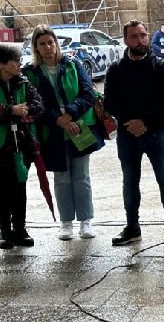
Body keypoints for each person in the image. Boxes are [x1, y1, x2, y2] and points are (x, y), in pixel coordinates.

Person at [104, 19, 164, 248]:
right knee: (130, 182)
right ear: (125, 40)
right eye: (134, 36)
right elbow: (111, 101)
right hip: (127, 134)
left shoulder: (160, 66)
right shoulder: (116, 69)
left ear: (148, 37)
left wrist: (145, 122)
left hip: (157, 133)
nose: (139, 40)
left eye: (142, 35)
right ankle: (132, 228)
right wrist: (132, 123)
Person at [22, 25, 104, 241]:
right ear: (36, 48)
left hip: (80, 126)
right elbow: (32, 104)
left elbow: (88, 95)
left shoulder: (73, 65)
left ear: (56, 44)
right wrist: (58, 120)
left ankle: (86, 221)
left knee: (82, 177)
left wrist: (70, 114)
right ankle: (65, 222)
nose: (48, 47)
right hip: (53, 132)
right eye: (42, 44)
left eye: (51, 42)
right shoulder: (30, 73)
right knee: (61, 178)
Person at [0, 44, 44, 249]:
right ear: (1, 65)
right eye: (14, 61)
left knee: (20, 187)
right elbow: (8, 110)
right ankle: (4, 232)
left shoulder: (22, 81)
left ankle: (19, 229)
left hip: (21, 144)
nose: (19, 64)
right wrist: (11, 110)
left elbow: (38, 105)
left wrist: (24, 109)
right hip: (2, 145)